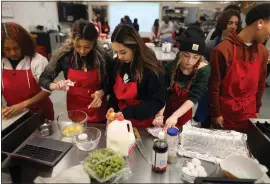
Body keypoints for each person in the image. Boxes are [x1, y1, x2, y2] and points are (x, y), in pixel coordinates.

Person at [208, 3, 270, 133]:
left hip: (249, 113)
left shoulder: (263, 52)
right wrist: (216, 113)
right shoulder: (223, 50)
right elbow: (214, 86)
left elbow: (260, 83)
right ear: (260, 23)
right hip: (226, 116)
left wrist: (257, 109)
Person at [39, 19, 113, 123]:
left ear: (94, 42)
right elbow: (43, 78)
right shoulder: (65, 56)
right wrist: (54, 85)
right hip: (75, 111)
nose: (82, 51)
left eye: (87, 47)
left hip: (98, 111)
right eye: (78, 46)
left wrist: (101, 92)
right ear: (72, 40)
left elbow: (111, 83)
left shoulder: (103, 58)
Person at [106, 24, 166, 127]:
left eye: (123, 52)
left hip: (143, 124)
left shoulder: (151, 69)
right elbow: (113, 93)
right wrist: (112, 107)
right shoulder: (117, 64)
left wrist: (128, 112)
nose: (119, 57)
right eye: (116, 52)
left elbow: (157, 102)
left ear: (135, 48)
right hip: (120, 121)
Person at [152, 26, 210, 128]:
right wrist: (160, 114)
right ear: (180, 53)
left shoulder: (204, 70)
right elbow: (163, 91)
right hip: (167, 107)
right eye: (186, 55)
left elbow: (194, 98)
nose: (190, 61)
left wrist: (175, 116)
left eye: (195, 57)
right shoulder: (171, 66)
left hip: (184, 112)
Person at [1, 22, 54, 120]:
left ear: (23, 44)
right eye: (7, 49)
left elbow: (47, 90)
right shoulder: (2, 62)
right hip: (13, 115)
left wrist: (23, 105)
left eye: (16, 48)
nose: (12, 53)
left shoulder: (37, 61)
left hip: (39, 113)